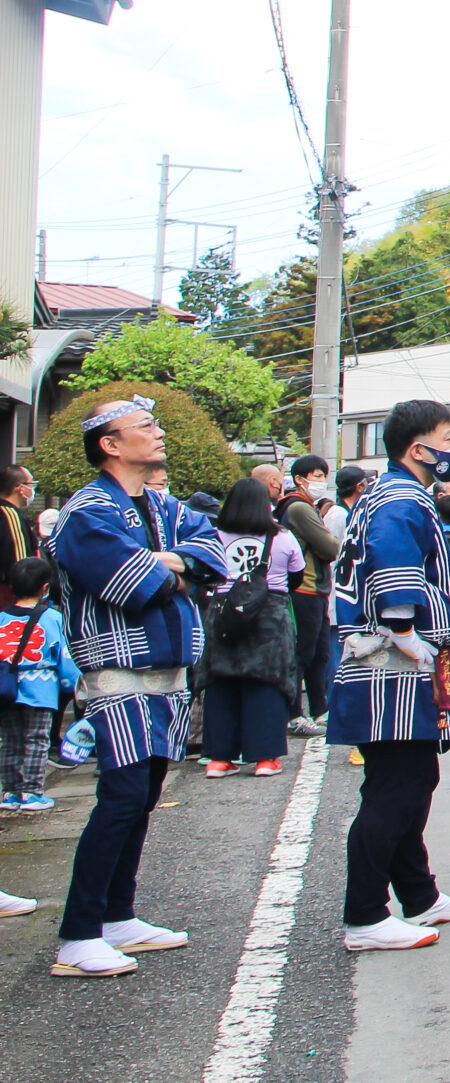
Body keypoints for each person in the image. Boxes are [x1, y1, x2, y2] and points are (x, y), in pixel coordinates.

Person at [47, 395, 229, 977]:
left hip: (166, 673)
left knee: (143, 796)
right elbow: (132, 584)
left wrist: (167, 560)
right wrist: (176, 566)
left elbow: (215, 555)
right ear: (110, 443)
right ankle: (78, 934)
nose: (158, 433)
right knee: (122, 797)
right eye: (145, 426)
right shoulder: (87, 511)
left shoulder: (160, 502)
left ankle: (117, 914)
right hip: (116, 671)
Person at [330, 397, 450, 952]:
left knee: (408, 779)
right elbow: (395, 569)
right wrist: (404, 631)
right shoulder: (400, 498)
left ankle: (418, 894)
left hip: (391, 658)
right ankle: (365, 914)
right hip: (390, 660)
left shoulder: (392, 494)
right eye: (447, 437)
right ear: (419, 449)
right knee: (399, 786)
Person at [201, 477, 304, 778]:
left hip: (222, 613)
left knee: (222, 680)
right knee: (267, 681)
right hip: (270, 614)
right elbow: (296, 575)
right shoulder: (282, 537)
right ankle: (264, 759)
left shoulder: (213, 536)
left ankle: (219, 759)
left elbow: (204, 572)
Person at [3, 556, 80, 813]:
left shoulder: (1, 618)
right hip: (40, 688)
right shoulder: (53, 618)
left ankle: (10, 792)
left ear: (11, 587)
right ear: (45, 587)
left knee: (11, 740)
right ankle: (32, 792)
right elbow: (65, 658)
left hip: (6, 688)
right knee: (37, 739)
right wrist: (73, 685)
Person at [274, 454, 343, 736]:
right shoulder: (299, 508)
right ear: (300, 479)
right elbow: (330, 548)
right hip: (305, 587)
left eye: (323, 475)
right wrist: (329, 540)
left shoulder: (308, 507)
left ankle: (319, 709)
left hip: (316, 589)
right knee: (303, 652)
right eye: (316, 475)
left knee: (318, 653)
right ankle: (293, 714)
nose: (321, 481)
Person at [2, 462, 42, 575]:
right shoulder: (11, 516)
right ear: (20, 488)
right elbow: (21, 566)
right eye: (31, 485)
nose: (33, 490)